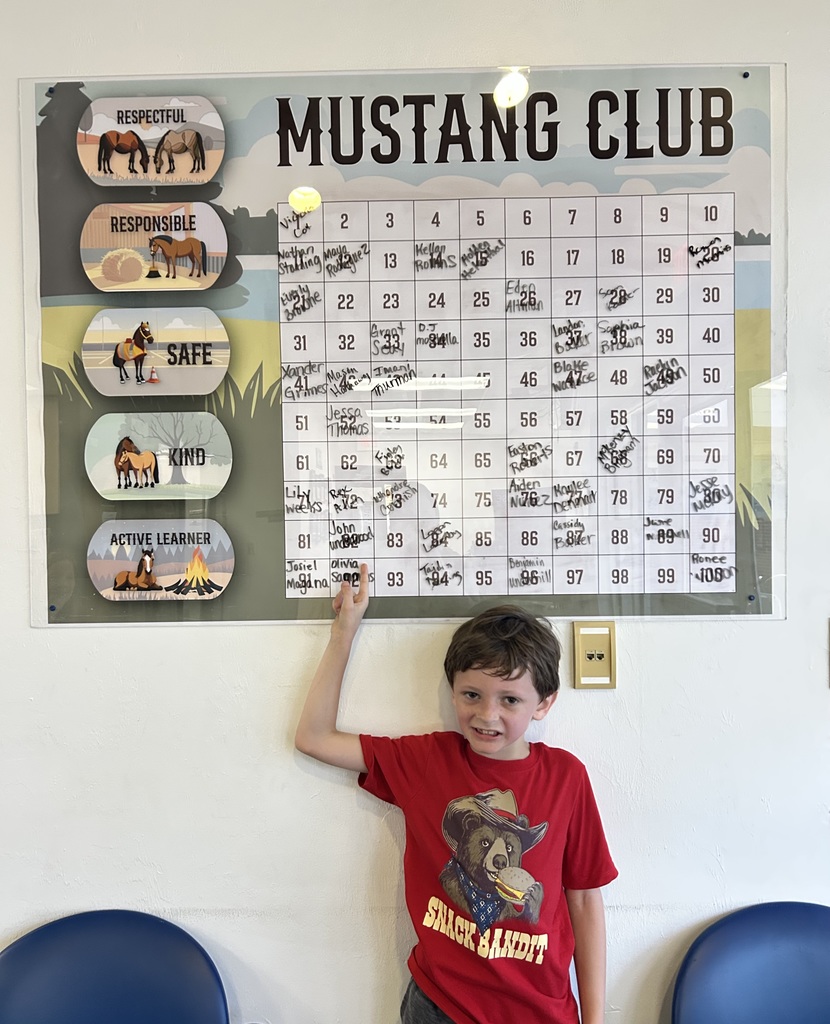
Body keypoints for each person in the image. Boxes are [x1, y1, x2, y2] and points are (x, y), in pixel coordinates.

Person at [294, 563, 617, 1024]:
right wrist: (344, 631)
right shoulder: (426, 762)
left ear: (543, 703)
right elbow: (314, 737)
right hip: (439, 1007)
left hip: (541, 1011)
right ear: (452, 690)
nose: (487, 714)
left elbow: (584, 899)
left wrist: (596, 1017)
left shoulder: (566, 778)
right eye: (471, 694)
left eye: (510, 699)